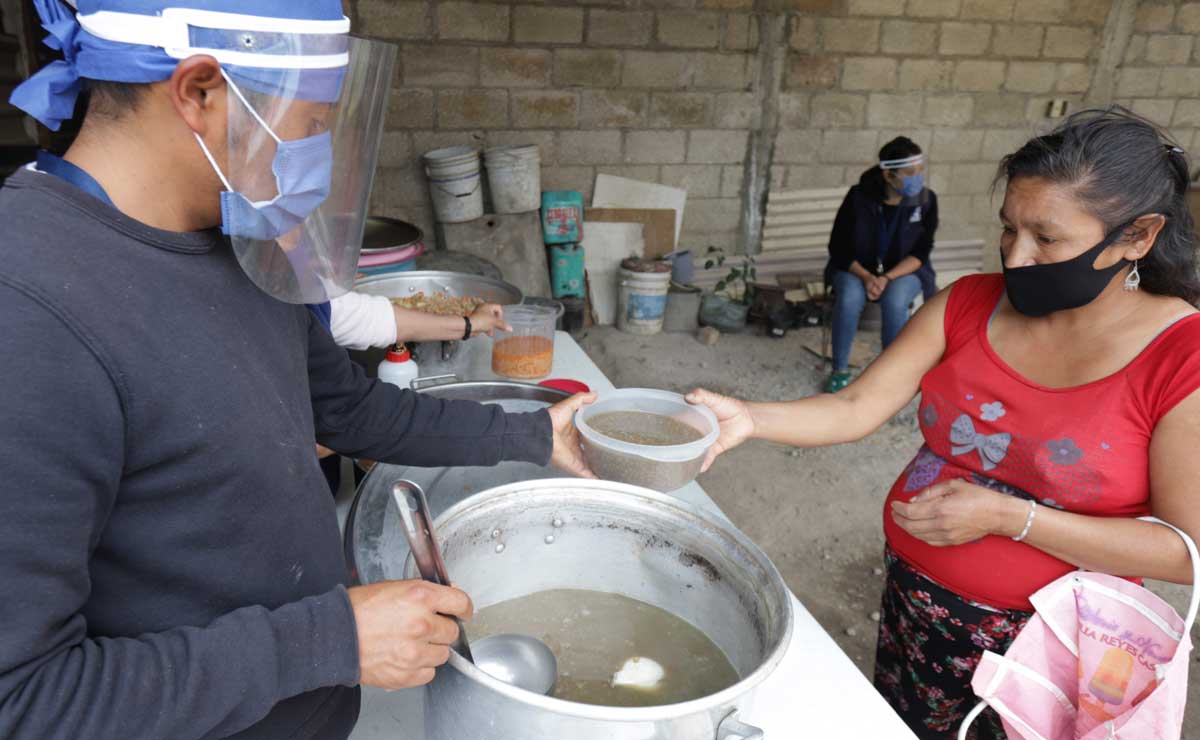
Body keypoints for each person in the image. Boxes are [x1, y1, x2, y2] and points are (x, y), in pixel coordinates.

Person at [0, 2, 593, 739]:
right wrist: (329, 641)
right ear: (200, 92)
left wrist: (533, 435)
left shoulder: (236, 239)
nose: (321, 155)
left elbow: (346, 408)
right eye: (312, 125)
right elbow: (25, 701)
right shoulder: (30, 314)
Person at [689, 108, 1200, 739]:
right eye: (1008, 228)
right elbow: (856, 406)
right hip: (917, 611)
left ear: (1138, 236)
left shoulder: (1181, 357)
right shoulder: (966, 304)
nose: (1015, 256)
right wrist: (749, 417)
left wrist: (1010, 518)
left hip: (1053, 652)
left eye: (1046, 238)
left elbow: (1185, 550)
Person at [825, 136, 940, 393]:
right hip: (856, 268)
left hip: (904, 270)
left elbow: (922, 252)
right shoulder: (859, 197)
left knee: (895, 301)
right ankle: (839, 370)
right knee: (850, 298)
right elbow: (838, 248)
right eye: (910, 173)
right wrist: (867, 277)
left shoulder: (926, 200)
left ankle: (890, 375)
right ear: (889, 175)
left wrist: (886, 278)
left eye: (920, 170)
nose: (917, 178)